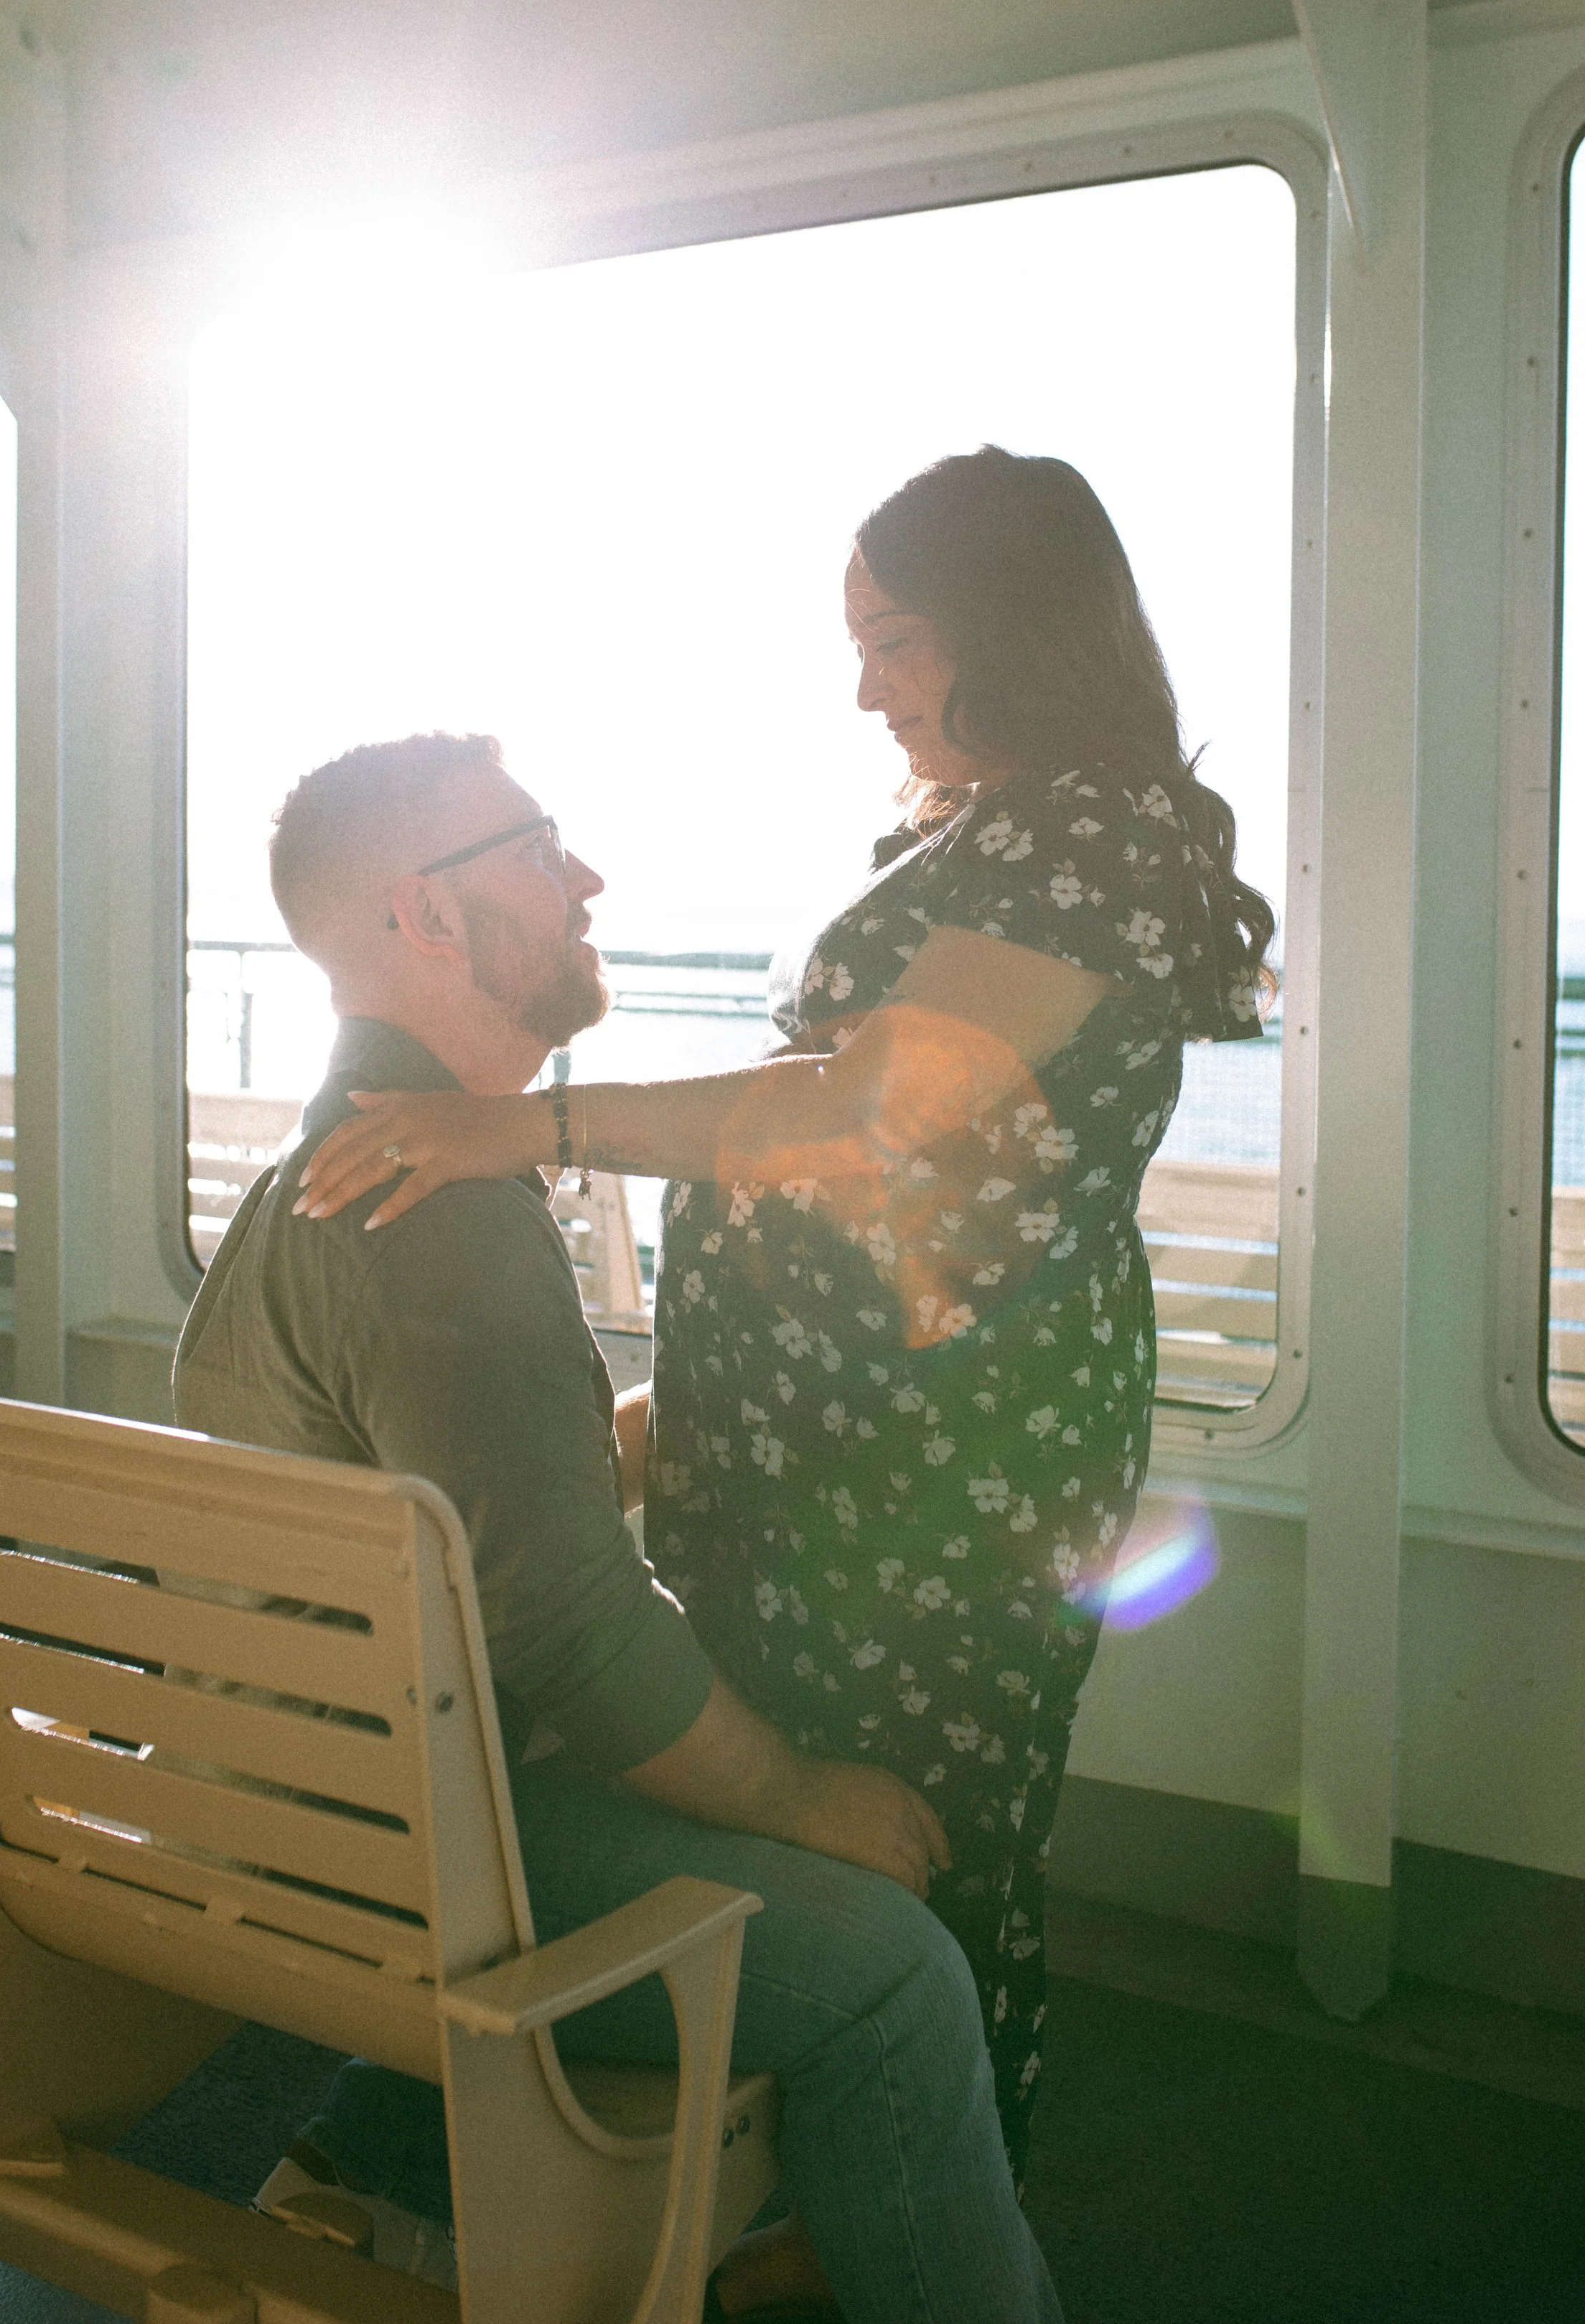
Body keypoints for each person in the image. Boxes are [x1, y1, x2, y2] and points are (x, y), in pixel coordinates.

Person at [298, 447, 1275, 2186]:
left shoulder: (1093, 835)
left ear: (1013, 630)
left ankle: (913, 2235)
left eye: (894, 641)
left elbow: (871, 1111)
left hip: (939, 1465)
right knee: (801, 1836)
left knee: (923, 1853)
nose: (865, 685)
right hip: (814, 1449)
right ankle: (758, 2197)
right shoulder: (977, 828)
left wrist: (532, 1127)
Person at [174, 726, 1063, 2324]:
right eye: (536, 848)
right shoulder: (441, 1221)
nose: (584, 879)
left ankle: (386, 2183)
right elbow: (567, 1631)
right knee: (893, 1974)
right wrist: (798, 1796)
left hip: (289, 1796)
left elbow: (451, 1517)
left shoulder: (311, 1174)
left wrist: (663, 1438)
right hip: (410, 1849)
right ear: (426, 919)